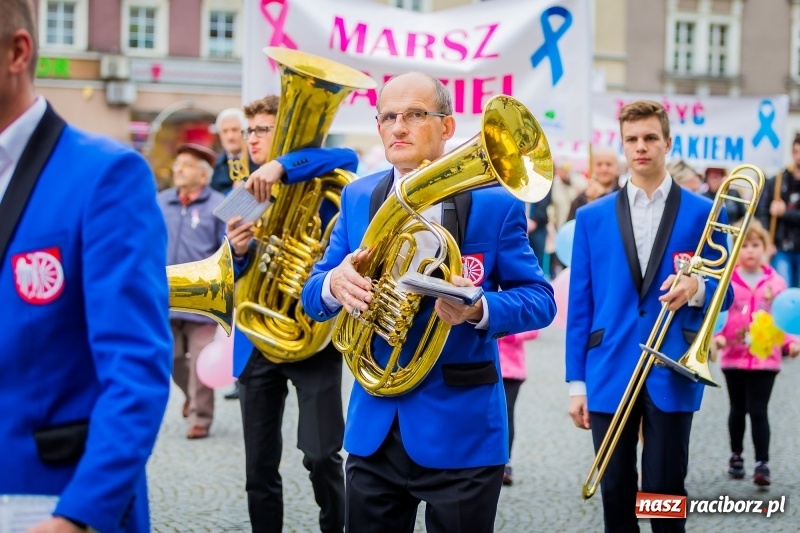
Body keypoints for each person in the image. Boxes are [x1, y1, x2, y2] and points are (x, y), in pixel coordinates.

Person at [301, 72, 556, 532]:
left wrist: (479, 309)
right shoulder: (358, 196)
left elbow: (540, 300)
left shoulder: (496, 203)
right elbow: (312, 293)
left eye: (416, 114)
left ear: (447, 126)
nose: (399, 126)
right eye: (388, 116)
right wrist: (332, 285)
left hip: (462, 431)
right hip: (374, 430)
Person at [0, 1, 172, 531]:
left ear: (17, 52)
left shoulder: (107, 174)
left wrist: (78, 514)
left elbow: (136, 368)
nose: (248, 142)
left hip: (46, 499)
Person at [566, 100, 732, 533]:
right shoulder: (590, 217)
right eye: (632, 140)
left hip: (672, 367)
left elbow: (726, 290)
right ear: (623, 146)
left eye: (650, 138)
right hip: (608, 368)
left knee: (665, 492)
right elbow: (580, 308)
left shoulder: (705, 212)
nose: (641, 147)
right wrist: (575, 383)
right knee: (616, 489)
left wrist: (698, 288)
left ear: (667, 142)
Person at [225, 94, 359, 533]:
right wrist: (239, 251)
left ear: (283, 135)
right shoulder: (243, 192)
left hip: (311, 336)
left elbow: (348, 155)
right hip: (257, 338)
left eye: (263, 130)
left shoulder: (322, 180)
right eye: (250, 132)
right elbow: (230, 271)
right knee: (257, 468)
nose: (253, 139)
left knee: (322, 456)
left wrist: (281, 167)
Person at [714, 220, 799, 487]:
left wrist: (791, 342)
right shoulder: (728, 281)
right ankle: (736, 455)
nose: (750, 250)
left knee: (758, 410)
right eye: (744, 245)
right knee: (737, 409)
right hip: (733, 355)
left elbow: (785, 315)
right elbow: (719, 314)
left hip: (765, 358)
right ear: (735, 250)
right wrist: (716, 337)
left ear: (766, 248)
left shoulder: (776, 282)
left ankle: (762, 463)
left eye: (755, 245)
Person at [157, 142, 226, 440]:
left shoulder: (218, 204)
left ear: (203, 175)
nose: (178, 170)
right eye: (177, 165)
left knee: (200, 359)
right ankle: (191, 396)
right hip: (165, 295)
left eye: (185, 165)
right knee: (170, 358)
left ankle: (201, 417)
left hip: (203, 298)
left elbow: (227, 250)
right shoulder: (161, 202)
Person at [497, 329, 540, 486]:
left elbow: (534, 329)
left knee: (506, 415)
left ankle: (505, 463)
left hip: (510, 370)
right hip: (479, 368)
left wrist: (510, 334)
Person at [757, 134, 800, 288]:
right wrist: (767, 240)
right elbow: (762, 211)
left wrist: (785, 213)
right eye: (796, 152)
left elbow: (782, 212)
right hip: (781, 245)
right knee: (781, 288)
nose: (798, 156)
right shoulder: (779, 180)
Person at [567, 146, 621, 221]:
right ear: (593, 167)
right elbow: (571, 226)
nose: (604, 169)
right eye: (599, 164)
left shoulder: (623, 197)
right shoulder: (581, 199)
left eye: (609, 164)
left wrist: (601, 196)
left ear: (616, 168)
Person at [210, 107, 252, 195]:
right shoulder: (215, 164)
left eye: (235, 130)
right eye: (225, 131)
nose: (230, 137)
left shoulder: (257, 159)